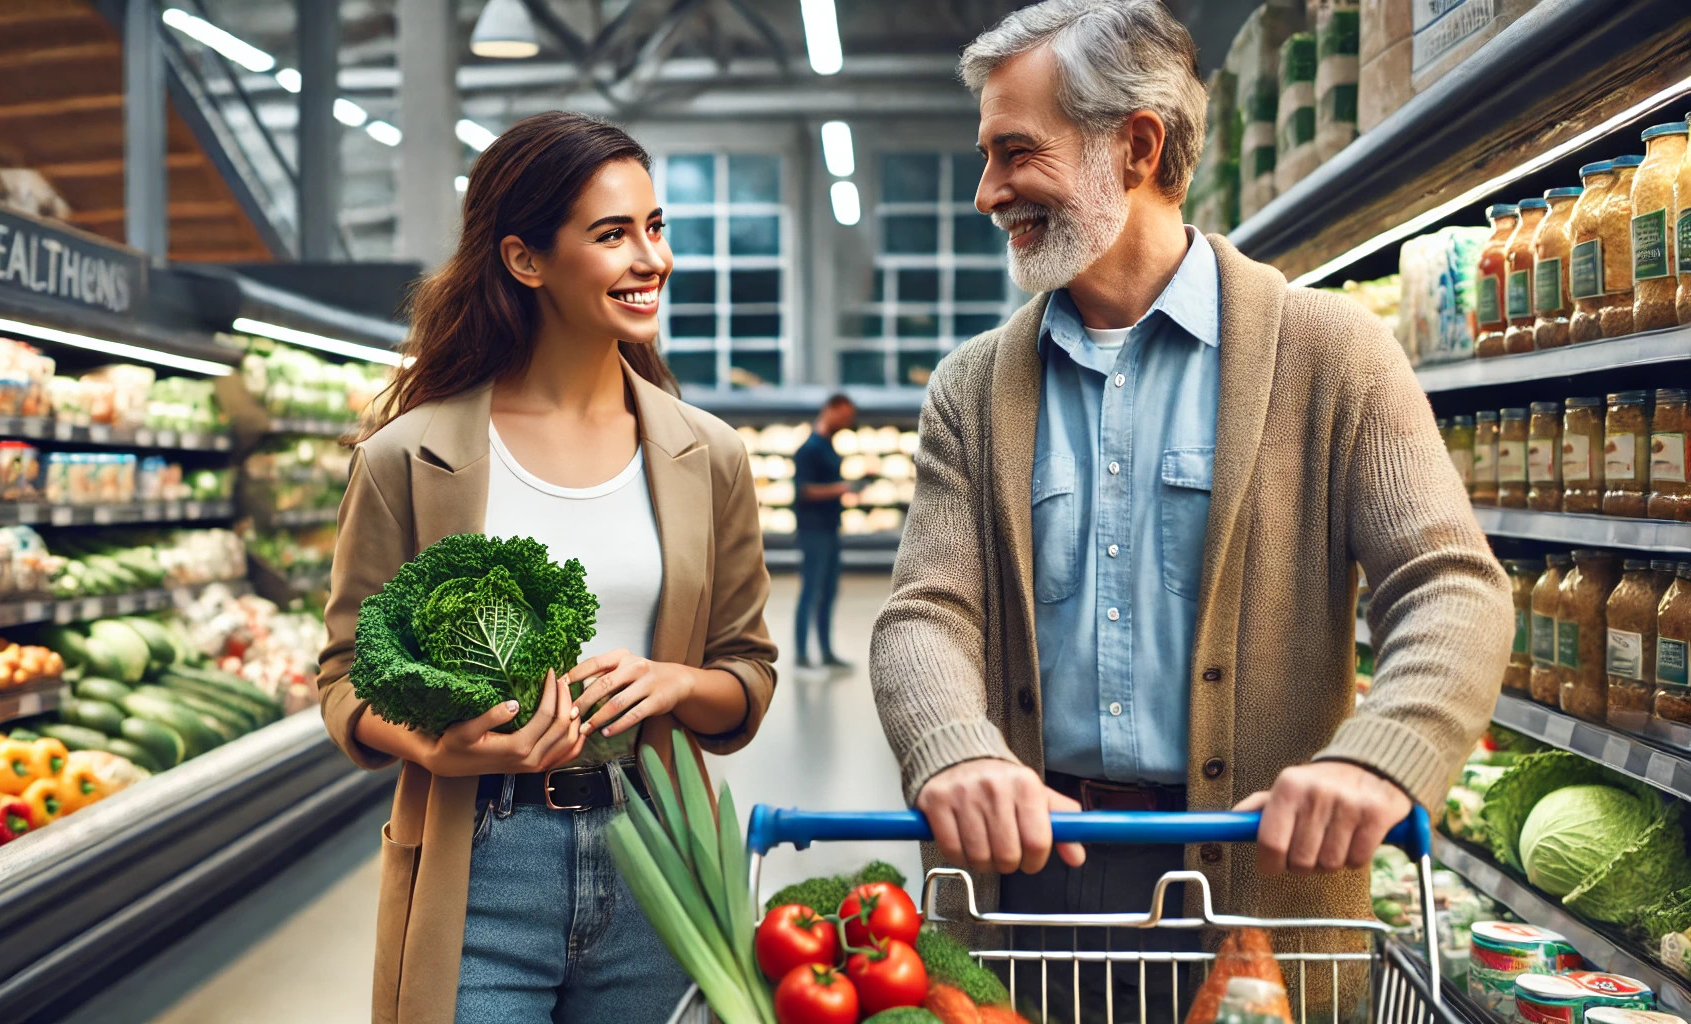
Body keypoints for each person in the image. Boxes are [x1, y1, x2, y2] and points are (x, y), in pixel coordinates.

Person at [869, 0, 1510, 1017]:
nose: (988, 191)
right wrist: (953, 743)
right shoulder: (973, 386)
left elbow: (1448, 586)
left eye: (1014, 152)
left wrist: (1378, 757)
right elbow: (924, 613)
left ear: (1135, 143)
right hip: (1027, 898)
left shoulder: (1330, 354)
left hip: (1266, 892)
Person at [316, 111, 777, 1024]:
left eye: (656, 227)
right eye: (613, 235)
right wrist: (433, 746)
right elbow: (343, 679)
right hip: (478, 855)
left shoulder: (707, 455)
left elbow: (748, 678)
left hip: (663, 849)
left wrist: (677, 681)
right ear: (525, 259)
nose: (652, 259)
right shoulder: (407, 458)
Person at [792, 393, 857, 669]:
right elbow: (803, 490)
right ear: (830, 410)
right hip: (813, 530)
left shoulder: (828, 445)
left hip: (830, 528)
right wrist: (841, 489)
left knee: (828, 591)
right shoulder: (809, 449)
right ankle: (802, 654)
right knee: (811, 589)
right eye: (843, 416)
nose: (847, 422)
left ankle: (826, 652)